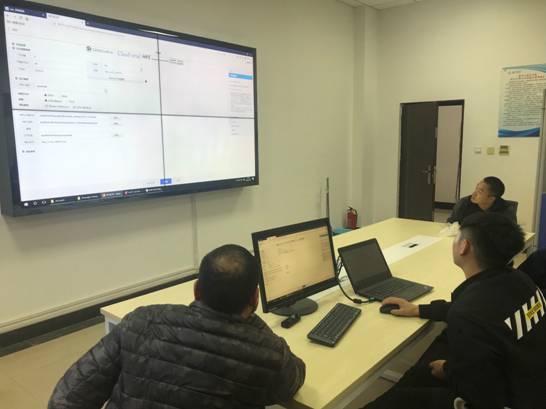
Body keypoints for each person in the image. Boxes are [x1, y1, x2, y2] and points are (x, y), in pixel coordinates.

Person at [48, 244, 306, 409]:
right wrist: (252, 321)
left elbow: (65, 398)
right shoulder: (268, 354)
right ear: (255, 298)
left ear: (196, 290)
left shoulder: (140, 321)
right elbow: (293, 379)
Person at [364, 213, 546, 409]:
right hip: (530, 379)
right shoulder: (519, 280)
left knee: (400, 399)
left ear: (464, 246)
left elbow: (480, 393)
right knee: (417, 374)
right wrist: (417, 309)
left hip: (505, 399)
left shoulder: (468, 314)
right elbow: (483, 312)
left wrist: (448, 370)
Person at [447, 176, 516, 224]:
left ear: (491, 198)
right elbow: (451, 224)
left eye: (480, 192)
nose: (474, 194)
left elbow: (511, 233)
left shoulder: (505, 210)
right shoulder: (464, 203)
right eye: (476, 188)